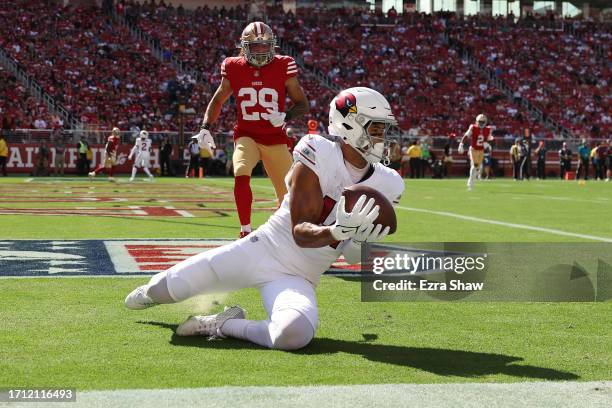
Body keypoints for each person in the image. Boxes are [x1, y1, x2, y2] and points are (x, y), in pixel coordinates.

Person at [124, 87, 404, 351]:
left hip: (301, 276)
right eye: (376, 128)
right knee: (164, 289)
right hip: (262, 249)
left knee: (294, 334)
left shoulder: (388, 182)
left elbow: (352, 256)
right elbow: (300, 232)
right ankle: (151, 291)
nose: (383, 137)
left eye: (384, 129)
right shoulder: (319, 150)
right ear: (348, 125)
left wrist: (358, 238)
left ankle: (225, 323)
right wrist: (338, 230)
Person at [191, 22, 309, 238]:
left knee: (288, 195)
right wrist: (205, 127)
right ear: (244, 47)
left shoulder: (284, 64)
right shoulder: (233, 66)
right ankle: (245, 229)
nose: (261, 51)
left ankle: (281, 232)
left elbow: (302, 103)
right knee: (241, 171)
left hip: (275, 138)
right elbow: (218, 100)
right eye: (255, 46)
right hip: (247, 135)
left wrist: (286, 116)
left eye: (265, 46)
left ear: (273, 46)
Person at [458, 114, 494, 191]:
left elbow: (490, 138)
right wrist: (461, 144)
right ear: (477, 121)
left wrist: (488, 143)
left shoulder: (488, 129)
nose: (481, 123)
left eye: (482, 122)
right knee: (475, 166)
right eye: (480, 122)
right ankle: (470, 182)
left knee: (478, 167)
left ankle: (472, 179)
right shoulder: (473, 127)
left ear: (485, 122)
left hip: (481, 150)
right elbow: (466, 136)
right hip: (473, 149)